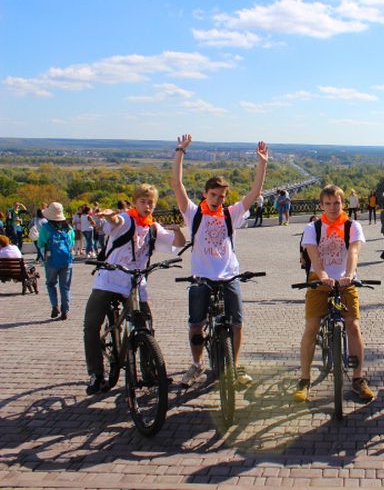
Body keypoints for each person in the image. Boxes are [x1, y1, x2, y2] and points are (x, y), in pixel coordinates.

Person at [171, 133, 268, 389]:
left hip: (228, 275)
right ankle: (197, 364)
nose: (218, 200)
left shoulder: (231, 214)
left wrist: (262, 164)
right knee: (196, 325)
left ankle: (233, 367)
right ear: (205, 194)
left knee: (236, 323)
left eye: (222, 196)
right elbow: (177, 185)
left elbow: (254, 192)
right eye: (214, 195)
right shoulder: (193, 213)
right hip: (202, 276)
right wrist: (180, 151)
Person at [83, 185, 186, 394]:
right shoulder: (126, 220)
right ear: (135, 201)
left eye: (151, 203)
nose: (147, 206)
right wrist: (111, 216)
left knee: (145, 325)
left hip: (135, 283)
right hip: (109, 279)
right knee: (91, 325)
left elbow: (179, 243)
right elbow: (116, 220)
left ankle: (150, 372)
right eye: (143, 201)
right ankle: (96, 374)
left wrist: (178, 230)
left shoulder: (153, 228)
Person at [294, 184, 375, 402]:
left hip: (345, 280)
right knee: (311, 326)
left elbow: (354, 251)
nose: (332, 207)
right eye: (328, 203)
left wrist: (349, 274)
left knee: (353, 326)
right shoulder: (313, 228)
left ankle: (358, 379)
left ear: (343, 203)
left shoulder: (352, 226)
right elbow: (314, 257)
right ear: (321, 205)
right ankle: (304, 379)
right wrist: (322, 276)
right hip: (319, 280)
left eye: (336, 203)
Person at [38, 202, 75, 321]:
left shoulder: (46, 228)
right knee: (65, 287)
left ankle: (55, 305)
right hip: (66, 261)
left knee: (50, 284)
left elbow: (40, 243)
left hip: (51, 261)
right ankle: (65, 310)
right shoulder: (68, 228)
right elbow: (72, 243)